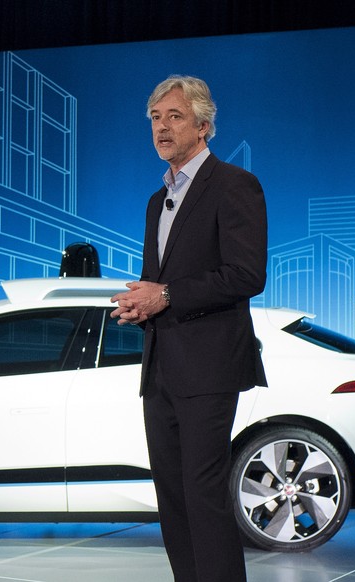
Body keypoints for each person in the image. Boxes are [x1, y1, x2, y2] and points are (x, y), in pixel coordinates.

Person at [110, 75, 268, 581]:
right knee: (173, 497)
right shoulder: (158, 201)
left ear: (203, 126)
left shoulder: (234, 185)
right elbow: (161, 283)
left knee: (203, 494)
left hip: (209, 365)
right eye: (155, 118)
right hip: (161, 368)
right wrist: (143, 304)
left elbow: (246, 275)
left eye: (174, 117)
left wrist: (168, 296)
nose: (161, 127)